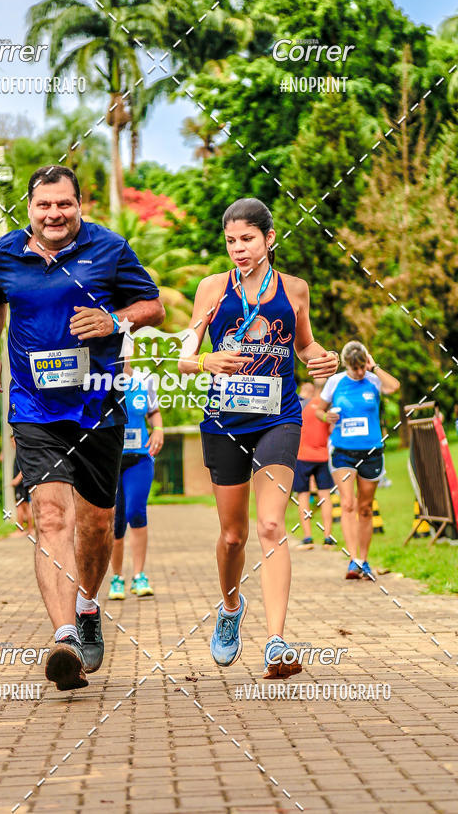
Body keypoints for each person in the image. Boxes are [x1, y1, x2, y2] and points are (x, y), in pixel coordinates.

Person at [0, 164, 164, 692]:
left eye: (64, 204)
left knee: (98, 525)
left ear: (80, 205)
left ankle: (87, 605)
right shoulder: (6, 254)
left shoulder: (109, 249)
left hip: (99, 405)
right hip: (34, 409)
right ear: (29, 208)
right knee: (52, 515)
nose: (54, 214)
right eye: (44, 205)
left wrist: (116, 321)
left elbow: (156, 306)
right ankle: (64, 640)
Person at [179, 198, 339, 678]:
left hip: (279, 417)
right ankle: (231, 608)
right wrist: (205, 360)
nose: (238, 249)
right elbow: (185, 353)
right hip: (225, 420)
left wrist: (321, 356)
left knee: (271, 525)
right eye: (230, 241)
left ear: (270, 239)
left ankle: (275, 641)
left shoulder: (294, 289)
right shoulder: (211, 289)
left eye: (246, 239)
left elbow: (304, 343)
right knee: (233, 536)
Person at [317, 341, 400, 581]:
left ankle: (364, 560)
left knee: (365, 508)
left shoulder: (374, 379)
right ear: (346, 366)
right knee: (348, 504)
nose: (360, 372)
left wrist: (375, 368)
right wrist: (327, 415)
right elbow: (318, 410)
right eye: (356, 369)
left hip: (371, 451)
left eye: (362, 367)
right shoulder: (335, 382)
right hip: (343, 451)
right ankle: (352, 560)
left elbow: (394, 387)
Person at [109, 363, 164, 600]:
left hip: (139, 458)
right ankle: (117, 578)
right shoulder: (99, 379)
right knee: (116, 519)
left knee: (136, 512)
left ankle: (139, 575)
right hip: (110, 460)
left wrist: (159, 429)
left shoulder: (144, 379)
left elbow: (153, 411)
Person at [292, 380, 335, 547]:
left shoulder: (298, 406)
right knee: (325, 496)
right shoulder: (326, 409)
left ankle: (308, 537)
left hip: (302, 456)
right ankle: (328, 537)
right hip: (322, 456)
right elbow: (331, 430)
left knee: (303, 495)